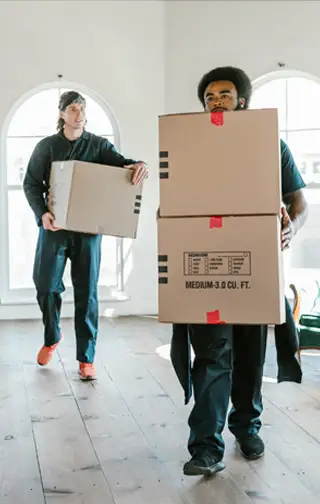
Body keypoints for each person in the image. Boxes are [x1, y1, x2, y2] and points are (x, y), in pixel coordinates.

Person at [170, 66, 308, 477]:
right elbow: (174, 205)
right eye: (210, 96)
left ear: (242, 101)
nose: (216, 100)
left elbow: (298, 204)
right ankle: (206, 447)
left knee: (249, 357)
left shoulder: (270, 146)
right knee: (211, 357)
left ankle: (247, 428)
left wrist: (290, 229)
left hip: (254, 269)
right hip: (204, 270)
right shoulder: (189, 149)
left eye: (225, 94)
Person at [23, 90, 148, 381]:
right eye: (73, 109)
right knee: (45, 285)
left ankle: (86, 358)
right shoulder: (47, 147)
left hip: (88, 231)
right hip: (54, 228)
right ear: (62, 113)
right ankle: (52, 337)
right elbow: (31, 183)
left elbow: (122, 165)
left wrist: (138, 165)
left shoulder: (99, 145)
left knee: (87, 292)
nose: (79, 114)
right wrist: (42, 214)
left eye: (82, 109)